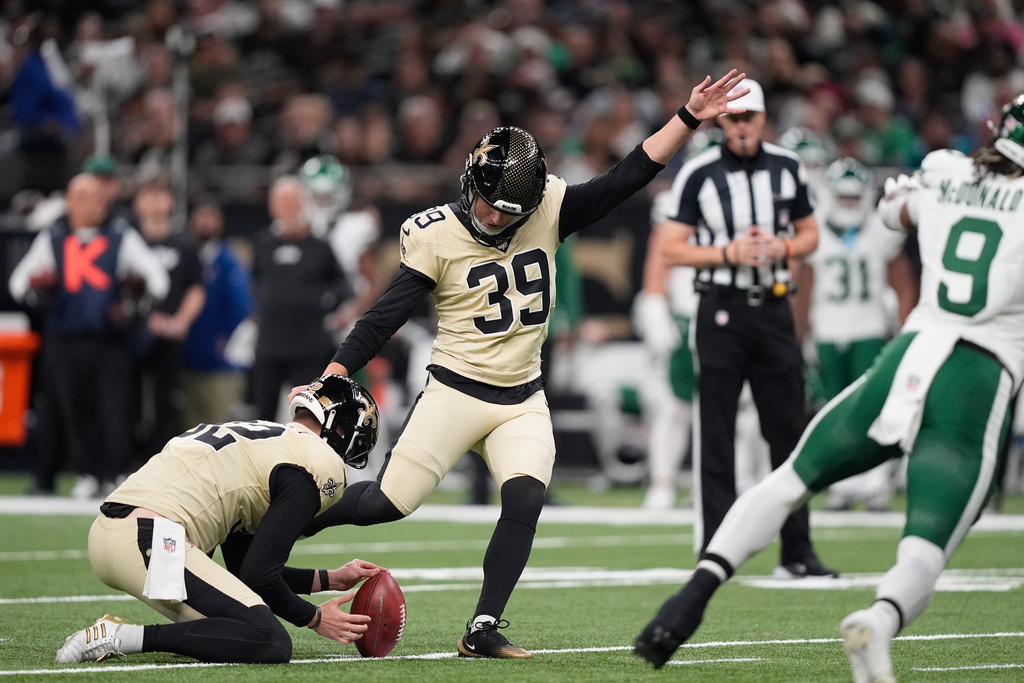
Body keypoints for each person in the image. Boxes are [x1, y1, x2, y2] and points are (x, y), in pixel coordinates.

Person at [291, 69, 751, 659]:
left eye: (510, 210)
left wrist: (687, 117)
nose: (495, 218)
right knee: (386, 503)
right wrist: (337, 369)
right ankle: (292, 519)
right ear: (469, 184)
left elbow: (628, 175)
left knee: (526, 498)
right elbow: (386, 314)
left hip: (522, 396)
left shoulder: (548, 208)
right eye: (487, 204)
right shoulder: (435, 233)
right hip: (454, 390)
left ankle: (483, 626)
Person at [634, 92, 1024, 682]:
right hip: (979, 376)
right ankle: (881, 618)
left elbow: (895, 214)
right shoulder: (706, 176)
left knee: (789, 471)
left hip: (905, 356)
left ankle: (693, 594)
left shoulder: (944, 169)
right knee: (925, 546)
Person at [54, 374, 385, 664]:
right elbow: (259, 575)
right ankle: (119, 635)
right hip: (154, 538)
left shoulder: (266, 446)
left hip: (116, 534)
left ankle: (123, 633)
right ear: (341, 429)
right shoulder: (316, 461)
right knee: (268, 639)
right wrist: (314, 617)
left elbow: (246, 571)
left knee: (230, 632)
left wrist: (329, 579)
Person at [654, 77, 835, 578]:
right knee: (716, 433)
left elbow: (810, 233)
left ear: (763, 119)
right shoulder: (700, 173)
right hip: (720, 308)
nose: (740, 126)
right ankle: (715, 551)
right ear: (720, 121)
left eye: (748, 116)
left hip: (774, 308)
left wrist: (784, 248)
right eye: (731, 117)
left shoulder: (788, 166)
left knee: (789, 433)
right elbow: (670, 247)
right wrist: (727, 253)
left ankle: (797, 551)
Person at [8, 174, 169, 497]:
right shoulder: (53, 236)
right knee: (74, 407)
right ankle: (88, 472)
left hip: (109, 341)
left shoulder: (120, 235)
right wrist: (39, 296)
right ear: (68, 201)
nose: (86, 205)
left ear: (104, 202)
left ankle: (117, 472)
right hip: (65, 340)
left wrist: (134, 308)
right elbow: (18, 282)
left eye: (93, 198)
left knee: (114, 409)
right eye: (79, 198)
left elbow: (157, 279)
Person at [802, 157, 914, 512]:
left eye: (855, 197)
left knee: (872, 407)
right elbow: (803, 287)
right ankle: (843, 483)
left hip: (868, 329)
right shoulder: (813, 227)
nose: (849, 204)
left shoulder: (881, 230)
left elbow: (902, 284)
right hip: (827, 329)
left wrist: (904, 327)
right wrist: (800, 334)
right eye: (843, 197)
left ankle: (877, 481)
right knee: (833, 411)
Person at [245, 176, 350, 422]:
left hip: (308, 345)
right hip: (270, 344)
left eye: (294, 201)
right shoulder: (263, 244)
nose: (289, 207)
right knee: (264, 415)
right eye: (283, 202)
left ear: (304, 204)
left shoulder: (320, 247)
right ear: (273, 207)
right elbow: (254, 282)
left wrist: (324, 305)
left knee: (310, 413)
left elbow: (342, 286)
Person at [132, 177, 206, 464]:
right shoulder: (128, 240)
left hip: (171, 334)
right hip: (133, 333)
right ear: (138, 202)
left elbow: (196, 287)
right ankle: (127, 461)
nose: (155, 202)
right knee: (128, 398)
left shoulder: (183, 245)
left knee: (167, 400)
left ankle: (161, 462)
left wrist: (180, 321)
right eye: (149, 195)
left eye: (161, 195)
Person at [182, 199, 253, 427]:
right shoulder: (187, 256)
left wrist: (227, 338)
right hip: (190, 360)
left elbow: (242, 306)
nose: (204, 223)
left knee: (221, 429)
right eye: (200, 217)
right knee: (190, 431)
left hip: (222, 364)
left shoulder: (229, 260)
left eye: (210, 217)